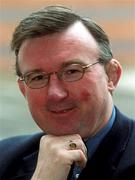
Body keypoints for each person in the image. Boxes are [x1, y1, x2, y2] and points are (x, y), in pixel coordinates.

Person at [0, 5, 135, 180]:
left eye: (72, 71)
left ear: (111, 76)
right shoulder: (4, 160)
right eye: (38, 77)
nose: (55, 94)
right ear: (23, 89)